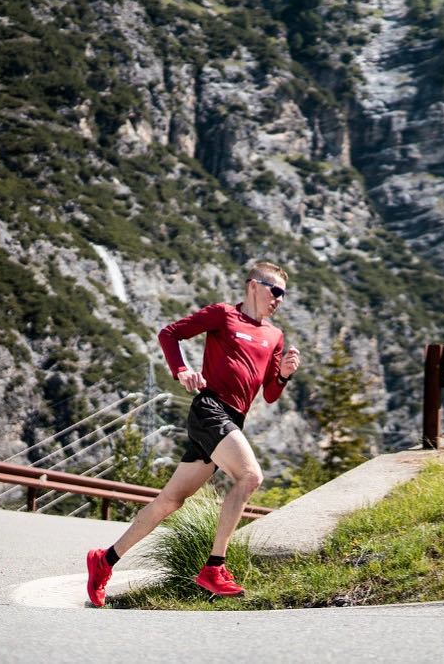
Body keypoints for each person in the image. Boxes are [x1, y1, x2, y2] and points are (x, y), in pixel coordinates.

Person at [85, 260, 301, 606]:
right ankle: (215, 567)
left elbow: (271, 394)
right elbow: (169, 334)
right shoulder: (223, 315)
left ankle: (104, 560)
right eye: (274, 290)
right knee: (249, 477)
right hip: (209, 410)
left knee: (170, 501)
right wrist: (182, 369)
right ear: (253, 285)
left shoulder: (275, 336)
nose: (279, 299)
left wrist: (285, 374)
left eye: (283, 295)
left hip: (233, 419)